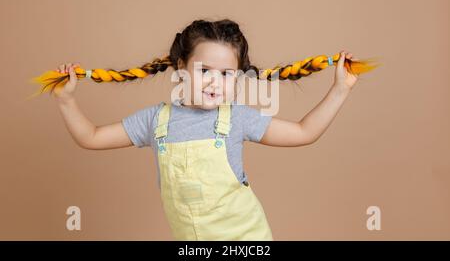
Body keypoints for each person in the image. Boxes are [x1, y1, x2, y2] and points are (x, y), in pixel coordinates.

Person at [44, 19, 371, 240]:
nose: (216, 82)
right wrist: (66, 101)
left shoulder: (238, 118)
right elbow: (91, 137)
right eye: (205, 70)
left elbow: (303, 132)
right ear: (181, 68)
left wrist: (341, 89)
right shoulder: (155, 121)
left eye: (227, 74)